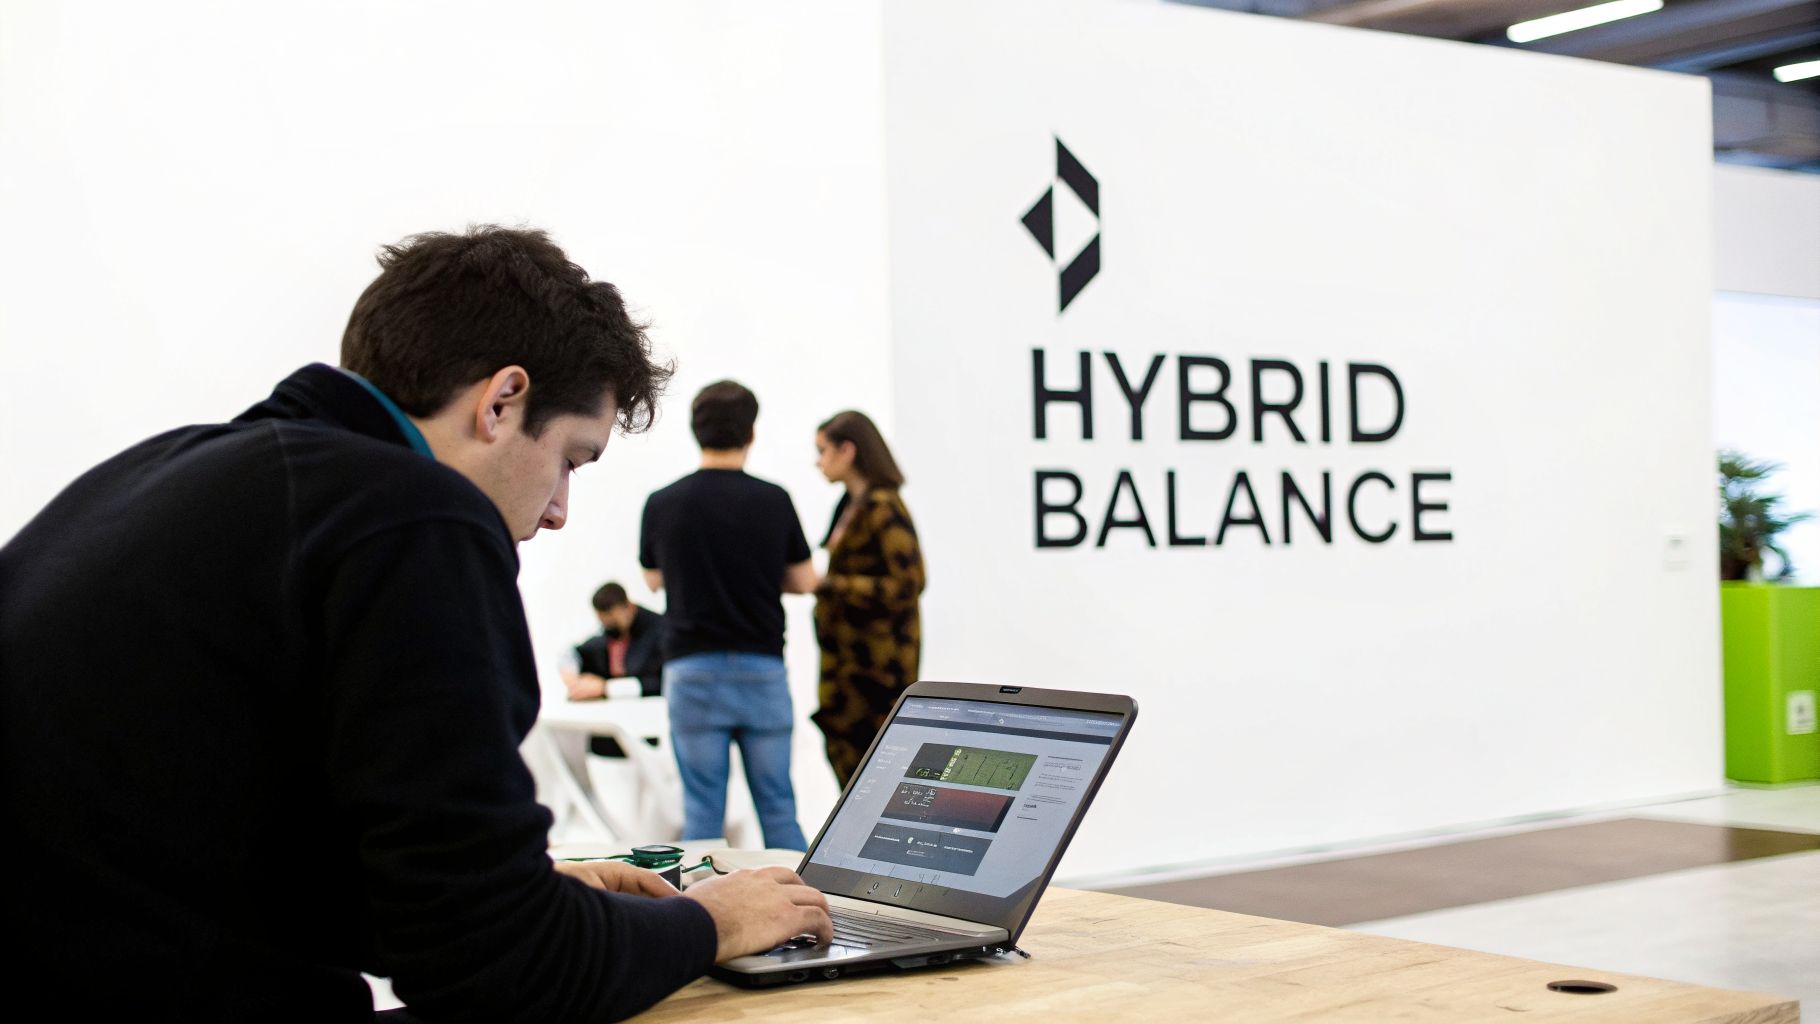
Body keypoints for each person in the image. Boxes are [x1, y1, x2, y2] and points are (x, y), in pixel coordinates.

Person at [0, 226, 830, 1022]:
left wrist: (535, 896)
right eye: (571, 459)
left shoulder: (172, 470)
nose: (559, 513)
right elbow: (501, 970)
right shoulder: (413, 517)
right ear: (503, 402)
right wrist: (713, 922)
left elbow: (197, 870)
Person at [639, 381, 817, 851]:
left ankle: (701, 917)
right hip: (761, 668)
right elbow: (803, 581)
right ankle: (806, 914)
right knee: (778, 806)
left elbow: (653, 580)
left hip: (692, 670)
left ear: (696, 431)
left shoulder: (663, 502)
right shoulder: (774, 499)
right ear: (750, 433)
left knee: (702, 810)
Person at [810, 411, 927, 785]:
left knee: (877, 782)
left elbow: (909, 583)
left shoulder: (883, 507)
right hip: (848, 677)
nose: (818, 461)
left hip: (877, 679)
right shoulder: (851, 505)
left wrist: (829, 585)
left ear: (848, 450)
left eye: (823, 450)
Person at [563, 581, 666, 700]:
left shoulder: (661, 631)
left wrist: (607, 688)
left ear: (629, 607)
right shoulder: (607, 635)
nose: (608, 628)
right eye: (604, 623)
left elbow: (662, 681)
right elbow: (573, 653)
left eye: (613, 622)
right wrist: (573, 680)